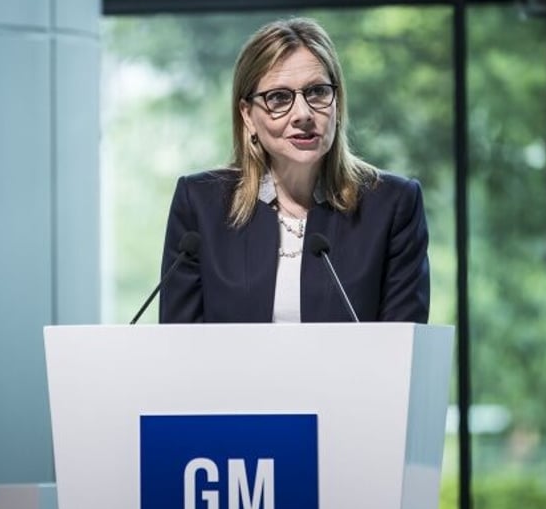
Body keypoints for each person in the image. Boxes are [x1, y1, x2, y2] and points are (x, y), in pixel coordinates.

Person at [158, 16, 429, 323]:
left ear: (337, 102)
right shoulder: (200, 204)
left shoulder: (392, 204)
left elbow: (403, 351)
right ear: (247, 115)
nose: (303, 114)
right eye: (278, 98)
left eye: (316, 92)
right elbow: (179, 349)